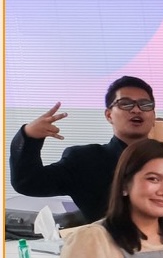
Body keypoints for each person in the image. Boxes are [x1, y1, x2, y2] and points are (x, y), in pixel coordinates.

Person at [11, 77, 155, 223]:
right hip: (108, 237)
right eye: (125, 103)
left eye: (145, 104)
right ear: (109, 115)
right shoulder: (85, 160)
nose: (136, 110)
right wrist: (29, 136)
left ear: (154, 116)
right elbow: (27, 182)